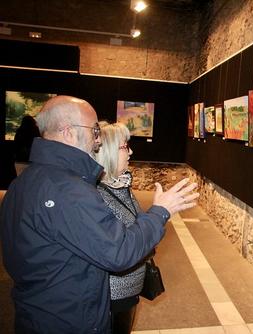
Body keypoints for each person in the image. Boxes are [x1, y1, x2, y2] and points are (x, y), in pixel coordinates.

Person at [0, 95, 198, 334]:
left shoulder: (25, 182)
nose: (97, 139)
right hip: (69, 319)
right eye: (94, 130)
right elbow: (119, 251)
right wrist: (160, 212)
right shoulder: (69, 192)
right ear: (68, 132)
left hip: (38, 309)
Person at [93, 121, 146, 334]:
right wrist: (160, 212)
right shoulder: (97, 195)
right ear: (107, 152)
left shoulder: (122, 184)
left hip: (131, 288)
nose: (131, 151)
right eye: (125, 147)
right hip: (114, 294)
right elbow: (116, 247)